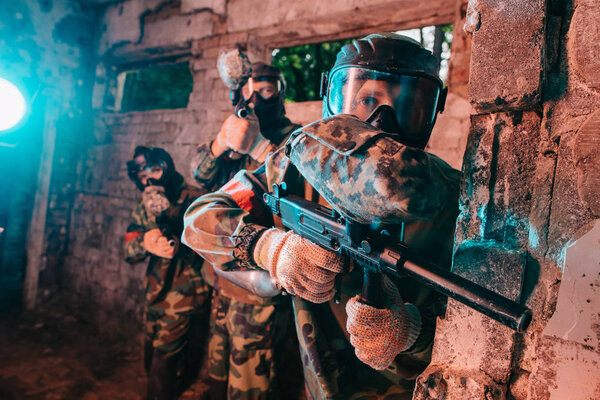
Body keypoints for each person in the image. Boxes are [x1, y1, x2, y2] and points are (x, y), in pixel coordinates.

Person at [182, 34, 460, 399]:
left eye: (407, 105)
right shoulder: (294, 168)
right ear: (333, 95)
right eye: (366, 100)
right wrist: (269, 247)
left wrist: (414, 333)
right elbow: (199, 217)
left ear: (431, 113)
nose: (380, 121)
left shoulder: (456, 202)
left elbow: (478, 337)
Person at [190, 62, 303, 399]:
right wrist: (221, 143)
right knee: (217, 373)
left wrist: (258, 148)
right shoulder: (235, 131)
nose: (257, 100)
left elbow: (298, 183)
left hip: (260, 285)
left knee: (251, 382)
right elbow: (199, 173)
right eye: (250, 93)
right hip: (223, 277)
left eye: (267, 92)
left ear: (280, 94)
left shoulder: (296, 138)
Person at [124, 146, 210, 400]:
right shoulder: (144, 206)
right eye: (142, 177)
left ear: (167, 167)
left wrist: (180, 238)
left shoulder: (196, 198)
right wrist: (145, 242)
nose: (149, 179)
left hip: (185, 297)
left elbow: (213, 244)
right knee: (151, 360)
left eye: (155, 170)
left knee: (164, 366)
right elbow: (129, 248)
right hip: (154, 295)